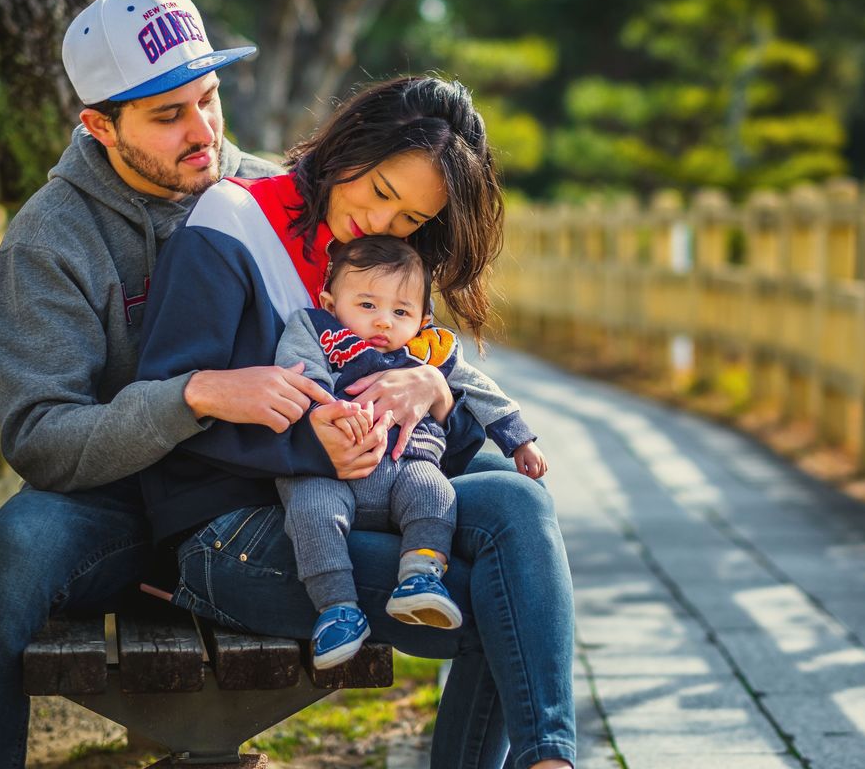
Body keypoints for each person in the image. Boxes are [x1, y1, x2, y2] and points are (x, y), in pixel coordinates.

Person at [0, 0, 340, 768]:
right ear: (99, 125)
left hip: (261, 492)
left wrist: (430, 378)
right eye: (167, 115)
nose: (203, 132)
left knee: (487, 514)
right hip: (115, 506)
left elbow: (384, 304)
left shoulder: (266, 194)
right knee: (7, 562)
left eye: (208, 100)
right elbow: (42, 440)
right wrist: (193, 396)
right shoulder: (47, 241)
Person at [136, 76, 576, 768]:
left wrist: (431, 387)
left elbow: (444, 448)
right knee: (507, 600)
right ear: (347, 149)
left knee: (520, 500)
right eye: (379, 194)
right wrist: (310, 445)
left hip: (364, 498)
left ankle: (550, 757)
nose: (384, 226)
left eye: (410, 221)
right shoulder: (231, 226)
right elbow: (168, 411)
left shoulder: (378, 269)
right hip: (232, 532)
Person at [270, 235, 547, 669]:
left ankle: (420, 577)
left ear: (422, 318)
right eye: (367, 305)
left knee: (437, 493)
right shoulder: (317, 329)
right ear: (330, 301)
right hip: (330, 474)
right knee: (309, 512)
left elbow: (481, 390)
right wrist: (328, 409)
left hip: (407, 464)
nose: (383, 322)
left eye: (401, 312)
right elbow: (297, 371)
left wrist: (519, 438)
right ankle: (337, 608)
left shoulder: (430, 350)